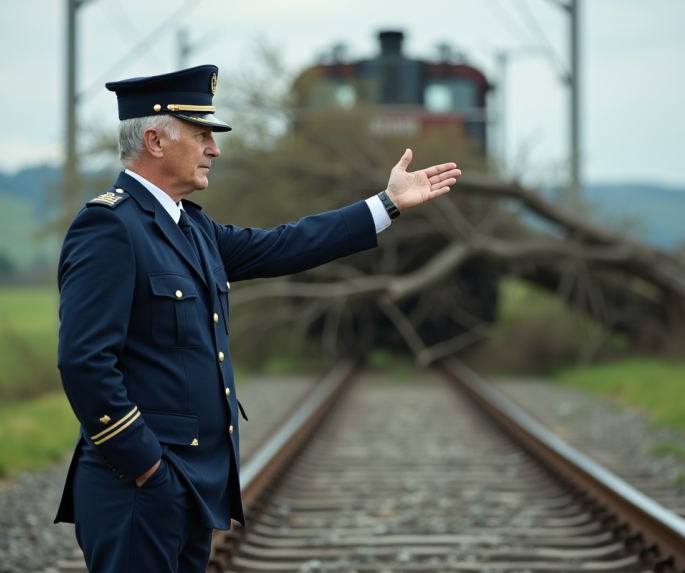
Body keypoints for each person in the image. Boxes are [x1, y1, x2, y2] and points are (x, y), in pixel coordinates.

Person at [53, 64, 460, 573]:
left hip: (191, 487)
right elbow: (85, 363)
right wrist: (146, 467)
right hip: (139, 488)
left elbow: (284, 245)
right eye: (201, 136)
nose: (214, 150)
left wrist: (387, 204)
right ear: (154, 141)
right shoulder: (109, 227)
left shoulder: (191, 227)